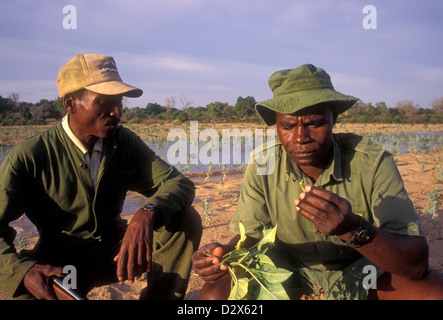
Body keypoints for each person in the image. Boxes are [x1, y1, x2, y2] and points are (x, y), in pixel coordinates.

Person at [192, 64, 443, 300]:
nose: (300, 137)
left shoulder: (372, 162)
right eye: (288, 125)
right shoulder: (263, 164)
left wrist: (353, 229)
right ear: (277, 126)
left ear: (334, 118)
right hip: (286, 270)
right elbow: (250, 236)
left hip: (360, 268)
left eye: (315, 123)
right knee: (217, 290)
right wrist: (223, 255)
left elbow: (416, 264)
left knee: (433, 291)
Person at [0, 53, 202, 300]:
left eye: (119, 101)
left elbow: (179, 184)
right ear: (70, 103)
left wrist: (148, 211)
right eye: (104, 102)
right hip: (58, 265)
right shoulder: (29, 156)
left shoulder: (123, 142)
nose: (117, 112)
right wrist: (23, 271)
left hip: (116, 255)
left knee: (184, 219)